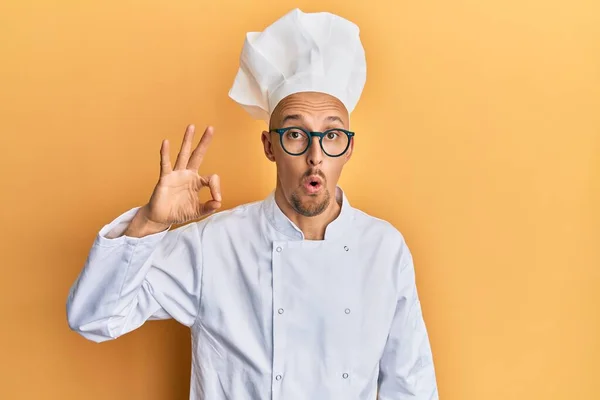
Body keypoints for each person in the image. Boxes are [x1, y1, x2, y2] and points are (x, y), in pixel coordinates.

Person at [66, 8, 439, 400]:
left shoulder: (383, 249)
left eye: (331, 136)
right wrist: (148, 223)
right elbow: (93, 317)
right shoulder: (214, 245)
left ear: (348, 149)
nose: (315, 156)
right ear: (269, 147)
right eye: (296, 134)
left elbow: (411, 387)